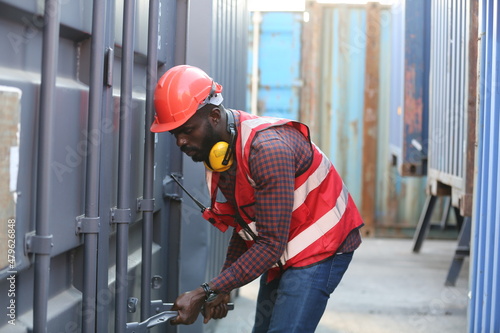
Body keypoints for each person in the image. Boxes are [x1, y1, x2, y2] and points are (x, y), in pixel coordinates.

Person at [150, 65, 364, 332]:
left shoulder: (267, 150)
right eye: (175, 134)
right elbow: (246, 229)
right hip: (285, 245)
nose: (180, 142)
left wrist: (205, 291)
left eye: (187, 130)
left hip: (322, 243)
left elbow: (270, 244)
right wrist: (224, 287)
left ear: (215, 116)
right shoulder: (220, 155)